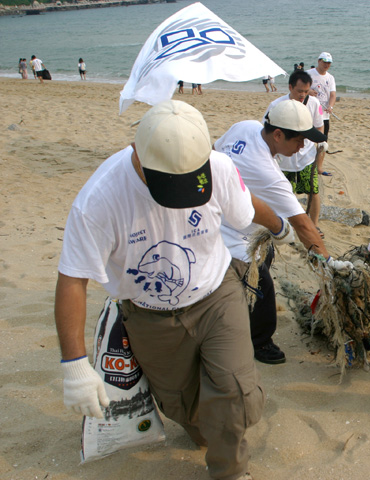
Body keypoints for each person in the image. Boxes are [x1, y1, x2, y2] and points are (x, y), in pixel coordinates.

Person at [54, 100, 296, 480]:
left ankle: (231, 472)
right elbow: (72, 279)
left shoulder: (217, 167)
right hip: (149, 316)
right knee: (184, 409)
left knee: (236, 395)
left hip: (217, 294)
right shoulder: (100, 200)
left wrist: (280, 226)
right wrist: (74, 366)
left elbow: (244, 204)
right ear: (136, 153)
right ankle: (207, 425)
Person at [216, 100, 350, 365]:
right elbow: (303, 225)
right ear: (278, 135)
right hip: (232, 235)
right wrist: (328, 265)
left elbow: (213, 152)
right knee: (262, 286)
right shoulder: (268, 174)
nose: (303, 146)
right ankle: (260, 343)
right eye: (299, 140)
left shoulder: (245, 127)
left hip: (225, 218)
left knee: (263, 260)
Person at [263, 70, 326, 229]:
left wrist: (320, 155)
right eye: (299, 91)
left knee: (313, 190)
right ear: (290, 87)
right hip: (283, 160)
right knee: (282, 193)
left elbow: (320, 127)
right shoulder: (277, 105)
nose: (303, 95)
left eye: (306, 91)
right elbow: (266, 130)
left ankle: (314, 225)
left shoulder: (314, 103)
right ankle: (281, 225)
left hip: (307, 157)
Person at [307, 52, 336, 176]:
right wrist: (308, 91)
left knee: (322, 142)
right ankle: (306, 165)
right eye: (324, 62)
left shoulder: (330, 77)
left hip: (324, 115)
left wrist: (330, 106)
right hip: (309, 113)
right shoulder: (309, 74)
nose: (326, 65)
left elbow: (333, 95)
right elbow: (299, 88)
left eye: (328, 62)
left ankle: (319, 167)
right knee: (306, 140)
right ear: (319, 61)